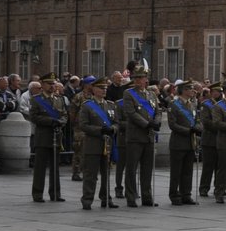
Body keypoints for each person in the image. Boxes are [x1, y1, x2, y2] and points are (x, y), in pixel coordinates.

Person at [118, 68, 160, 207]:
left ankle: (147, 197)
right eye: (136, 78)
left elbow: (158, 110)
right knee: (131, 168)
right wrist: (147, 124)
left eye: (141, 78)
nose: (138, 80)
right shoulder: (128, 93)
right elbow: (131, 113)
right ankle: (131, 197)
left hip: (148, 137)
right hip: (136, 136)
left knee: (147, 169)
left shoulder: (151, 95)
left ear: (145, 79)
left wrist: (157, 122)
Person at [75, 77, 119, 210]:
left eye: (105, 88)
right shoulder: (87, 106)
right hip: (93, 143)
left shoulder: (111, 105)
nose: (104, 90)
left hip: (107, 144)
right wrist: (100, 130)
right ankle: (87, 199)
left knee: (106, 174)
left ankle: (106, 198)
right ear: (93, 89)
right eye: (101, 88)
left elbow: (117, 122)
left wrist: (113, 129)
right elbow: (83, 125)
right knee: (90, 174)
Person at [26, 72, 66, 203]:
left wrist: (62, 122)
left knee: (55, 167)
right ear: (42, 85)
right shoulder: (36, 99)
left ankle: (55, 193)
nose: (52, 86)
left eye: (53, 84)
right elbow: (34, 117)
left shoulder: (59, 99)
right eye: (49, 84)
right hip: (43, 136)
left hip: (56, 136)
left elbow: (65, 115)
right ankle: (37, 194)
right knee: (40, 168)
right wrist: (51, 121)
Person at [166, 80, 201, 205]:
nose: (193, 91)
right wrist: (188, 130)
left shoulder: (192, 104)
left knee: (188, 171)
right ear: (183, 90)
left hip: (191, 142)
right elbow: (173, 124)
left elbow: (197, 119)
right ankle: (175, 195)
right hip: (178, 142)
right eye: (190, 88)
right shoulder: (174, 104)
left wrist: (198, 127)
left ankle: (186, 194)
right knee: (176, 171)